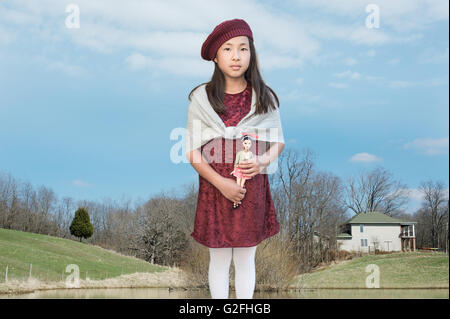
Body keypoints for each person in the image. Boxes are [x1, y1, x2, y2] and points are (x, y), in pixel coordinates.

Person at [185, 18, 285, 299]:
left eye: (243, 48)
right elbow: (192, 150)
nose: (236, 56)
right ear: (216, 57)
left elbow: (278, 142)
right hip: (214, 188)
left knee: (245, 259)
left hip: (251, 187)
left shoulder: (263, 97)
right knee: (217, 260)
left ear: (251, 53)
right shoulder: (201, 98)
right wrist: (221, 183)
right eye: (227, 49)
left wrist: (262, 162)